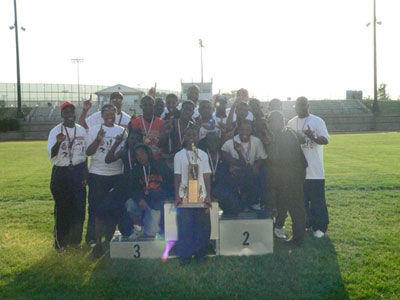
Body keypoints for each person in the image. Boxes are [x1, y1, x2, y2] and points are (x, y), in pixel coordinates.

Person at [85, 104, 126, 255]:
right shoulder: (95, 129)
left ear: (116, 114)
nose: (110, 116)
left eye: (112, 113)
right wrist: (98, 139)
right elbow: (88, 152)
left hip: (115, 175)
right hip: (97, 174)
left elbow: (122, 152)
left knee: (113, 208)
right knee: (96, 209)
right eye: (107, 113)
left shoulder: (121, 131)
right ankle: (94, 240)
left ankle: (109, 238)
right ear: (102, 115)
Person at [48, 102, 88, 253]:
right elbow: (52, 155)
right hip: (62, 172)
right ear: (62, 114)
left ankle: (75, 241)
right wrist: (58, 142)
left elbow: (84, 155)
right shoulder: (55, 131)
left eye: (72, 111)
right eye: (66, 111)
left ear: (75, 113)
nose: (70, 114)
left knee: (79, 208)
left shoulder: (81, 130)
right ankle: (60, 243)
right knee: (63, 209)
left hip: (78, 171)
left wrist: (85, 174)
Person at [287, 96, 330, 238]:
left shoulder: (317, 121)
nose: (300, 108)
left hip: (315, 170)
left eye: (303, 105)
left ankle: (321, 227)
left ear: (308, 105)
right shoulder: (291, 123)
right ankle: (307, 223)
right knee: (302, 201)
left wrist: (313, 137)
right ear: (295, 107)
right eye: (298, 106)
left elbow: (325, 140)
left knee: (318, 201)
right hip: (298, 171)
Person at [267, 110, 307, 246]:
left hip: (292, 177)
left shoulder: (287, 135)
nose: (271, 124)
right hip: (286, 177)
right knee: (288, 206)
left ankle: (298, 239)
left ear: (282, 121)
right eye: (270, 121)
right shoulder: (281, 134)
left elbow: (288, 159)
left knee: (296, 208)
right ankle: (298, 237)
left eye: (274, 121)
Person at [174, 124, 212, 265]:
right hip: (185, 195)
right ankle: (185, 256)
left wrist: (208, 195)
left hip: (201, 195)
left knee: (202, 226)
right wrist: (177, 196)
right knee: (185, 227)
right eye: (188, 135)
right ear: (184, 138)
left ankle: (200, 254)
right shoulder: (179, 156)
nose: (191, 138)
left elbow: (207, 175)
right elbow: (177, 176)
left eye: (194, 135)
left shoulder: (203, 155)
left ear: (198, 137)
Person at [125, 144, 173, 239]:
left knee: (151, 233)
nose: (140, 157)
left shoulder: (160, 166)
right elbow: (132, 189)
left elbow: (170, 184)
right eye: (137, 155)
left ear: (148, 153)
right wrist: (140, 199)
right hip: (144, 202)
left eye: (142, 153)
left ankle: (155, 228)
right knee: (130, 203)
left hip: (158, 202)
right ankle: (138, 228)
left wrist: (165, 198)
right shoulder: (135, 171)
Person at [221, 120, 267, 212]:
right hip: (235, 171)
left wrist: (257, 166)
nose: (244, 133)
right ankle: (237, 204)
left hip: (251, 171)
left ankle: (254, 203)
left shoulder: (256, 141)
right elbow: (225, 156)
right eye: (242, 130)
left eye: (247, 130)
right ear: (238, 130)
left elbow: (262, 157)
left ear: (251, 130)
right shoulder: (230, 142)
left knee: (258, 174)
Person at [200, 132, 238, 216]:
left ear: (219, 142)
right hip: (204, 187)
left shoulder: (224, 154)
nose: (213, 144)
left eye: (215, 141)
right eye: (210, 141)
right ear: (206, 142)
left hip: (221, 188)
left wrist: (239, 151)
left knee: (233, 206)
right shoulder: (202, 155)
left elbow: (241, 164)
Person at [159, 100, 195, 169]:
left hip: (188, 163)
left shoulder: (194, 127)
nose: (187, 112)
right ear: (181, 110)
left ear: (193, 112)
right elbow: (159, 143)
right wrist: (166, 133)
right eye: (185, 109)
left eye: (189, 110)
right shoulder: (169, 123)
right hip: (170, 163)